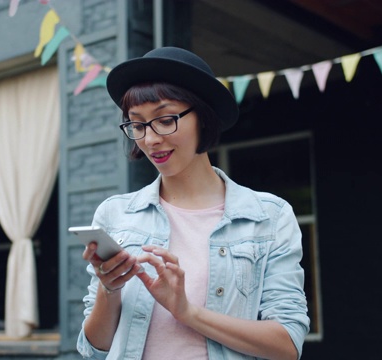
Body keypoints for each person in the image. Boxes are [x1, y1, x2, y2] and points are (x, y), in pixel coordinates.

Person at [77, 47, 310, 360]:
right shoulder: (116, 214)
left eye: (165, 119)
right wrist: (110, 288)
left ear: (204, 116)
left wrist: (186, 312)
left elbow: (287, 344)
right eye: (138, 124)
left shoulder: (269, 217)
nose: (150, 139)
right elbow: (94, 349)